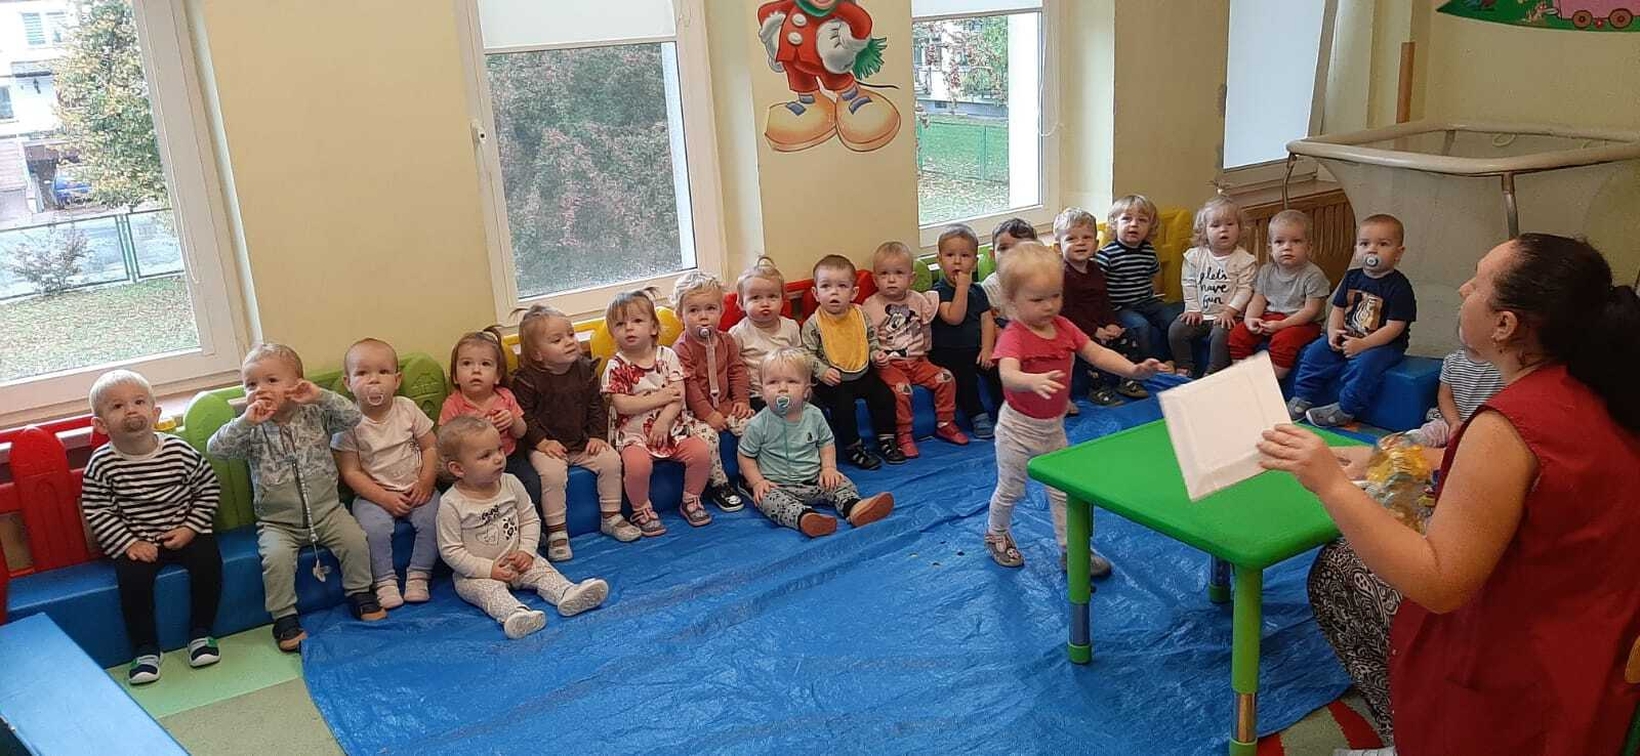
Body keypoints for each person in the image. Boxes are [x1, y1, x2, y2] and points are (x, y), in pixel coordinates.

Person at [1260, 234, 1640, 755]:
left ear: (1504, 325)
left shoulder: (1509, 424)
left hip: (1528, 662)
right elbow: (1516, 476)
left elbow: (1441, 584)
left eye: (1477, 283)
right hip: (1600, 623)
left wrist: (1328, 482)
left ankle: (1418, 736)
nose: (1463, 289)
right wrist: (1387, 457)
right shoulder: (1597, 383)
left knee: (1339, 569)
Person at [983, 242, 1162, 575]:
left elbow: (1096, 353)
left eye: (1055, 296)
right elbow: (1007, 374)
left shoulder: (1064, 327)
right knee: (1012, 489)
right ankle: (996, 532)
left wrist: (1133, 370)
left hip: (1052, 428)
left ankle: (1071, 548)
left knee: (1063, 490)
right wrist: (1030, 381)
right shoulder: (1015, 335)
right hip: (1017, 429)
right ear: (1011, 301)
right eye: (1037, 300)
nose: (1049, 306)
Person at [207, 344, 384, 652]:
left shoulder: (315, 413)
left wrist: (320, 395)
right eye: (251, 384)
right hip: (278, 522)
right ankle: (285, 617)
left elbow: (354, 417)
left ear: (297, 384)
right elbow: (216, 449)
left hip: (327, 512)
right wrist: (246, 421)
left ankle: (360, 593)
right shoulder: (251, 428)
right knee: (276, 561)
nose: (260, 389)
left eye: (271, 380)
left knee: (355, 541)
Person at [82, 369, 223, 684]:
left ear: (155, 413)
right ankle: (145, 649)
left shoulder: (178, 451)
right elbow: (98, 509)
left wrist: (190, 528)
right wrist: (129, 544)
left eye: (138, 402)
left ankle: (201, 632)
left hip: (185, 531)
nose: (130, 410)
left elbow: (208, 489)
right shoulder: (102, 464)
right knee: (131, 580)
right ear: (101, 424)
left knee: (208, 561)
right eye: (117, 406)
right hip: (138, 540)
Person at [435, 416, 609, 640]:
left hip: (519, 561)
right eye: (485, 456)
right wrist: (488, 570)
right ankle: (515, 614)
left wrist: (526, 551)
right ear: (458, 469)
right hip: (476, 574)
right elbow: (451, 551)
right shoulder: (451, 504)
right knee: (489, 592)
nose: (498, 458)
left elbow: (529, 520)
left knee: (543, 570)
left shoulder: (511, 483)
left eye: (499, 449)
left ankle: (567, 593)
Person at [510, 305, 638, 547]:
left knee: (611, 461)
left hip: (581, 441)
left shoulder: (584, 369)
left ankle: (611, 516)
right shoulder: (527, 380)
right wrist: (541, 442)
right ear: (538, 354)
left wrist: (597, 436)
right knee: (552, 475)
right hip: (546, 446)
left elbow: (595, 405)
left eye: (571, 334)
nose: (569, 341)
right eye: (557, 340)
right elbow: (524, 415)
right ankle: (557, 530)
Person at [736, 348, 895, 537]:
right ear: (762, 391)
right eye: (773, 382)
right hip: (778, 486)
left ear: (806, 391)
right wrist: (757, 482)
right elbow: (745, 455)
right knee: (767, 499)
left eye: (792, 381)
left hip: (814, 480)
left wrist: (828, 468)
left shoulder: (814, 415)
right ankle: (805, 518)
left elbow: (826, 443)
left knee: (841, 483)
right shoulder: (758, 423)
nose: (782, 388)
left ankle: (855, 508)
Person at [333, 339, 440, 609]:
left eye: (383, 372)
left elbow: (431, 447)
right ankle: (384, 581)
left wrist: (426, 481)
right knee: (373, 529)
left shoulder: (407, 409)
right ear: (348, 383)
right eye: (362, 373)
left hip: (416, 487)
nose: (374, 380)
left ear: (397, 380)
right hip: (373, 496)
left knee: (436, 518)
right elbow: (350, 472)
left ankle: (419, 574)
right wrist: (383, 498)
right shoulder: (348, 422)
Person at [602, 288, 716, 533]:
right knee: (637, 466)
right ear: (612, 332)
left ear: (653, 327)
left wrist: (663, 422)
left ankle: (691, 499)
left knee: (700, 452)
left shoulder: (668, 356)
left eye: (637, 321)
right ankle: (641, 509)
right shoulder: (616, 366)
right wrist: (660, 397)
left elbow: (678, 395)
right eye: (620, 324)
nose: (629, 328)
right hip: (634, 436)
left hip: (671, 429)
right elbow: (623, 404)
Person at [1288, 214, 1418, 427]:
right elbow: (1338, 309)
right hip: (1349, 334)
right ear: (1357, 249)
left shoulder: (1400, 286)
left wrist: (1363, 344)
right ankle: (1303, 396)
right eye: (1365, 244)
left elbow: (1395, 327)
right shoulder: (1352, 277)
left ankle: (1346, 409)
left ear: (1398, 253)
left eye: (1383, 244)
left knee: (1364, 366)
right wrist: (1333, 332)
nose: (1372, 250)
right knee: (1315, 353)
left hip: (1383, 344)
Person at [863, 241, 969, 459]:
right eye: (884, 274)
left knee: (946, 378)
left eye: (898, 273)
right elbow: (867, 339)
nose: (891, 279)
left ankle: (945, 422)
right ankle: (904, 434)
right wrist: (875, 357)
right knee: (902, 390)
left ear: (911, 278)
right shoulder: (871, 306)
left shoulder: (918, 301)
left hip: (919, 360)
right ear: (875, 279)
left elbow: (925, 328)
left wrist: (926, 351)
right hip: (890, 364)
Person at [800, 254, 903, 469]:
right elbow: (806, 354)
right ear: (816, 293)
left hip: (862, 372)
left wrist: (876, 354)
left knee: (884, 395)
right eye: (826, 286)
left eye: (842, 286)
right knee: (843, 407)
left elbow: (871, 340)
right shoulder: (813, 324)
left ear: (853, 292)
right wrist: (822, 371)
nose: (834, 292)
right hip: (832, 380)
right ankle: (853, 447)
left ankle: (887, 438)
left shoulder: (860, 315)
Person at [671, 270, 753, 511]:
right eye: (694, 311)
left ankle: (749, 475)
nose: (703, 317)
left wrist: (742, 400)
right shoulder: (682, 348)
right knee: (708, 438)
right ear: (680, 315)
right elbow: (690, 387)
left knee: (753, 426)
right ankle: (719, 484)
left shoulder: (726, 340)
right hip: (695, 415)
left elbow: (737, 370)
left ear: (721, 310)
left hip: (726, 405)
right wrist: (708, 415)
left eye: (710, 309)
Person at [1055, 207, 1149, 406]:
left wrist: (1112, 323)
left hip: (1099, 325)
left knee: (1128, 336)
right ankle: (1097, 389)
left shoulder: (1095, 269)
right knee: (1092, 345)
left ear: (1096, 244)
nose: (1080, 243)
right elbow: (1067, 312)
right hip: (1076, 330)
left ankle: (1128, 379)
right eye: (1071, 239)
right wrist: (1094, 330)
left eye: (1086, 238)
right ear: (1058, 247)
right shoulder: (1062, 275)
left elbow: (1104, 301)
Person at [1227, 209, 1331, 380]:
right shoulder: (1266, 271)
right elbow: (1258, 299)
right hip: (1272, 317)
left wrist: (1282, 325)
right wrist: (1250, 319)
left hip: (1303, 323)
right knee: (1238, 334)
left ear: (1309, 247)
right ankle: (1243, 376)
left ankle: (1271, 380)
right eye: (1279, 242)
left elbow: (1311, 311)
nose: (1287, 247)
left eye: (1296, 241)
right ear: (1270, 248)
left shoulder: (1313, 275)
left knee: (1284, 341)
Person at [1167, 196, 1256, 378]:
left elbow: (1245, 289)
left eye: (1229, 224)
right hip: (1200, 314)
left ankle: (1213, 372)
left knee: (1220, 337)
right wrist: (1192, 308)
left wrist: (1230, 311)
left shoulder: (1245, 260)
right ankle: (1184, 367)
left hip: (1228, 316)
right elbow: (1189, 282)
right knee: (1176, 331)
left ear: (1239, 229)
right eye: (1215, 225)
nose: (1223, 229)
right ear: (1204, 231)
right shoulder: (1194, 256)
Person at [928, 224, 998, 437]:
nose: (957, 261)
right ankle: (977, 415)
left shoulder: (978, 290)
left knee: (998, 370)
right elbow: (954, 317)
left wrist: (987, 350)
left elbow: (987, 321)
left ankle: (1007, 410)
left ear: (974, 262)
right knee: (965, 377)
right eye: (950, 255)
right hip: (948, 352)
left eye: (965, 256)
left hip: (974, 348)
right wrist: (961, 288)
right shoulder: (939, 291)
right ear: (940, 261)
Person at [1096, 194, 1172, 359]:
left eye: (1142, 220)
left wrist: (1155, 295)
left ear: (1150, 227)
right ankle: (1145, 363)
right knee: (1141, 326)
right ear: (1114, 224)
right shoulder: (1107, 254)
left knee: (1170, 318)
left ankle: (1168, 358)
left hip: (1147, 301)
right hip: (1121, 307)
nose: (1134, 224)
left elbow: (1154, 274)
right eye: (1126, 219)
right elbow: (1096, 287)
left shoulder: (1148, 250)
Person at [729, 257, 802, 411]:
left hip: (790, 391)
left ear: (783, 300)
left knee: (816, 412)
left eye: (772, 297)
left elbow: (800, 361)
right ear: (741, 303)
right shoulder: (738, 333)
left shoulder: (791, 327)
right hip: (757, 395)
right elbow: (732, 369)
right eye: (755, 298)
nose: (765, 303)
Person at [1405, 347, 1506, 448]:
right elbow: (1445, 397)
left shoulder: (1504, 365)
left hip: (1486, 426)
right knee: (1435, 430)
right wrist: (1454, 421)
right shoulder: (1452, 361)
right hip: (1452, 419)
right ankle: (1410, 442)